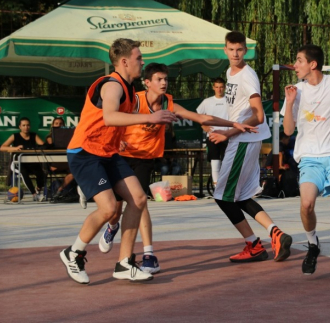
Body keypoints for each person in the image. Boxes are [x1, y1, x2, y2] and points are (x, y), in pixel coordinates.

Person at [99, 62, 255, 274]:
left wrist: (233, 124)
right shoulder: (134, 100)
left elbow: (201, 118)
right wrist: (116, 140)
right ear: (147, 83)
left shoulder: (168, 103)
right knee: (116, 211)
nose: (164, 83)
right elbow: (110, 119)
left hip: (144, 159)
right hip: (122, 157)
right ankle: (113, 226)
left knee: (139, 203)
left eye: (166, 79)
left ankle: (149, 254)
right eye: (159, 80)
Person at [59, 38, 179, 284]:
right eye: (138, 58)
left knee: (138, 198)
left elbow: (121, 118)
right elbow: (110, 117)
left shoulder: (129, 88)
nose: (142, 61)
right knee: (109, 208)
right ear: (124, 62)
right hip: (85, 153)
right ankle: (74, 253)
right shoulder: (112, 86)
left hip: (107, 152)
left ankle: (124, 263)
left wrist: (144, 120)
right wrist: (149, 116)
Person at [208, 31, 293, 263]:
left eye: (239, 50)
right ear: (225, 50)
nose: (235, 54)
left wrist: (228, 133)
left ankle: (253, 245)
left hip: (244, 141)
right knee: (241, 196)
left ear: (246, 51)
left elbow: (258, 116)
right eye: (231, 49)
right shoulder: (230, 72)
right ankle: (276, 233)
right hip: (246, 141)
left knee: (223, 197)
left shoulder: (247, 76)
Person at [281, 44, 330, 275]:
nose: (294, 65)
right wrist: (290, 103)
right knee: (306, 204)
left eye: (299, 60)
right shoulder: (296, 91)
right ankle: (313, 244)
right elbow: (287, 131)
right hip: (310, 158)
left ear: (312, 64)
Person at [0, 117, 46, 201]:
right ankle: (34, 194)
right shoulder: (15, 136)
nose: (26, 127)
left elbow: (43, 146)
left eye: (28, 125)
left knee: (40, 173)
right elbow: (2, 147)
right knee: (24, 173)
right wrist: (15, 148)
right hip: (18, 163)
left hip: (32, 162)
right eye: (23, 125)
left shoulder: (34, 135)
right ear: (20, 127)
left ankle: (38, 189)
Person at [196, 77, 229, 188]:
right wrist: (203, 125)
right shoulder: (207, 102)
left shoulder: (229, 100)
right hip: (213, 136)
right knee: (215, 161)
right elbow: (197, 116)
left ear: (224, 88)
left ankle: (226, 186)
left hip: (227, 136)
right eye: (217, 87)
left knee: (227, 162)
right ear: (213, 88)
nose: (219, 89)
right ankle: (217, 188)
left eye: (221, 87)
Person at [45, 117, 75, 200]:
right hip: (55, 161)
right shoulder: (49, 137)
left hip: (67, 160)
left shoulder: (70, 137)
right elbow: (53, 148)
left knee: (75, 170)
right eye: (56, 124)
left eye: (60, 124)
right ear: (52, 125)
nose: (58, 125)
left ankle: (59, 190)